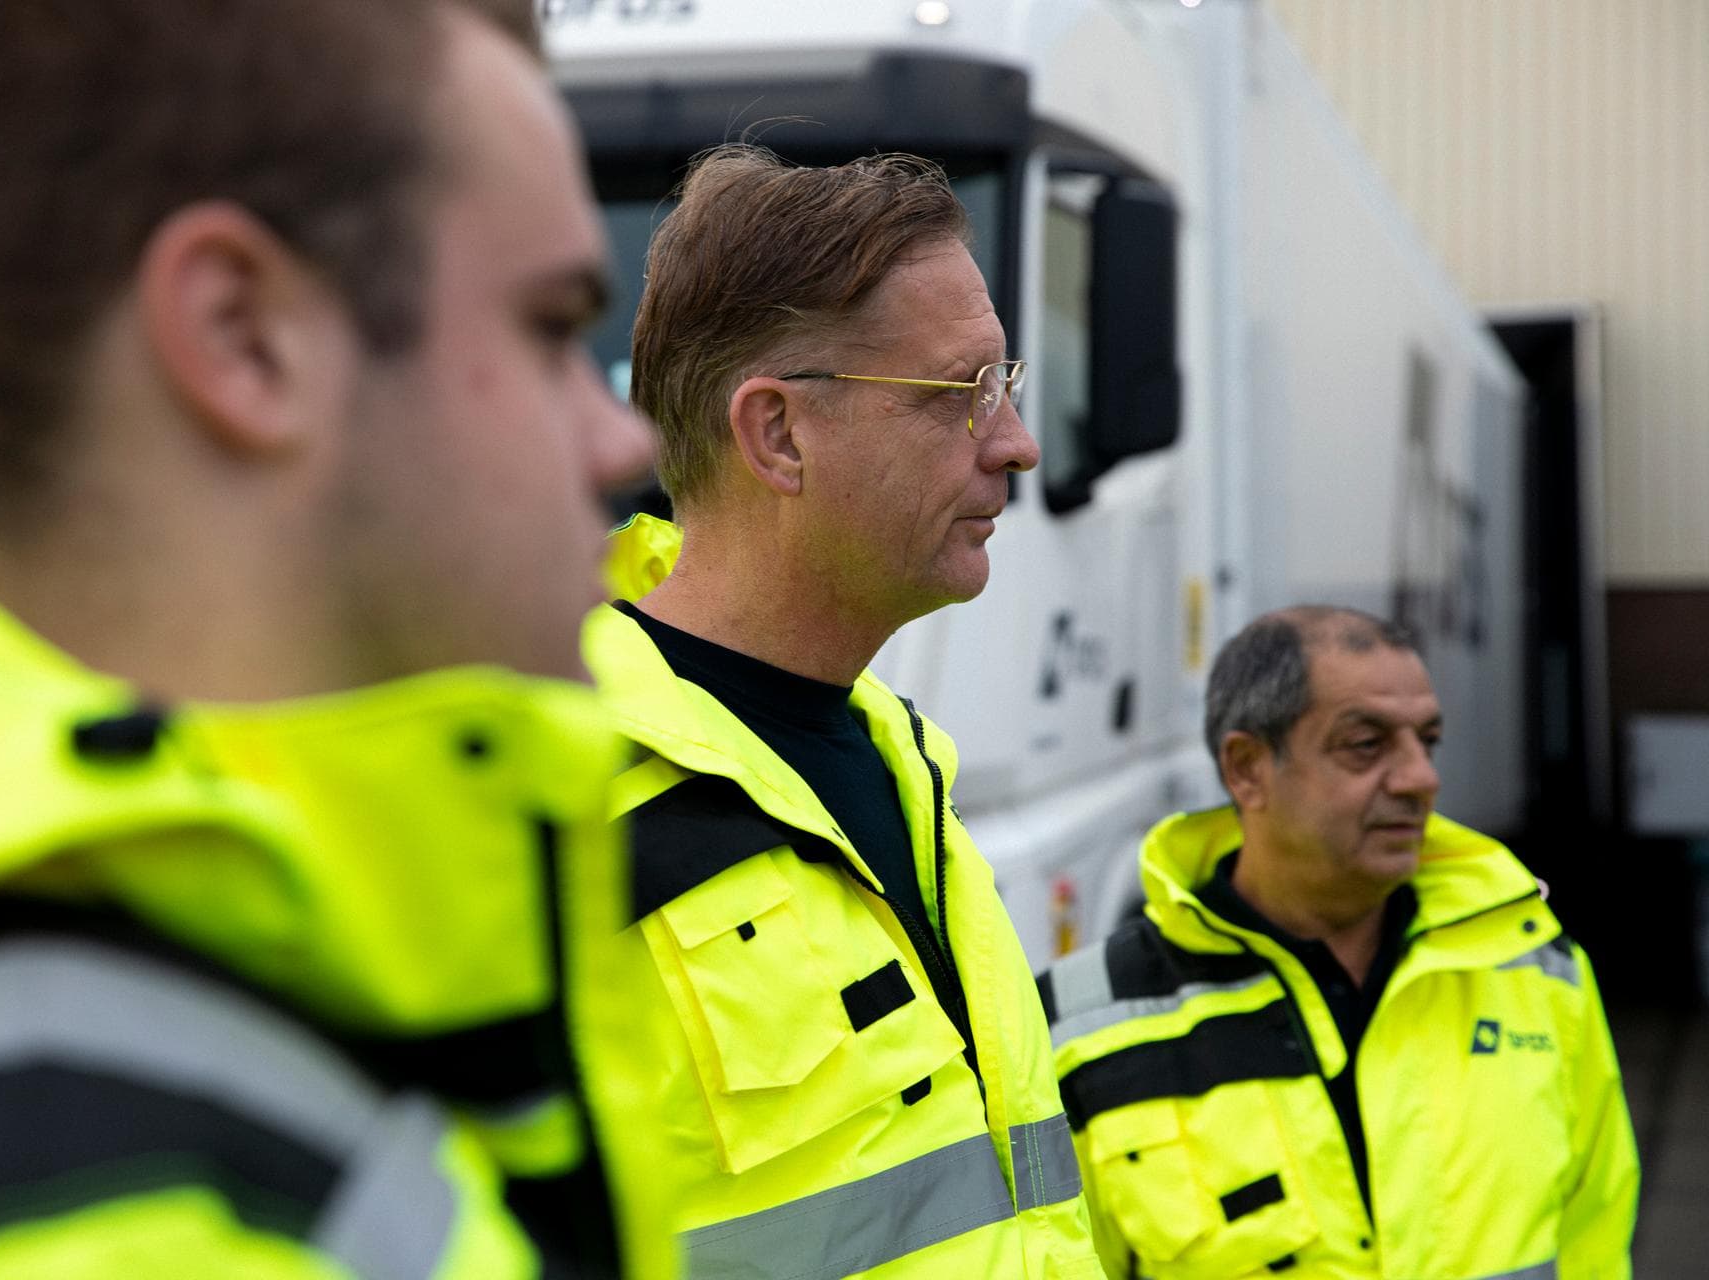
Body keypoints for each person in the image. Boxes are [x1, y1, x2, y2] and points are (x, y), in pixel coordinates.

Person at [0, 1, 675, 1275]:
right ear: (243, 338)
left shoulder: (128, 1004)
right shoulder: (90, 1181)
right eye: (548, 326)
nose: (623, 438)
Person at [583, 146, 1102, 1279]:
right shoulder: (561, 807)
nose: (1015, 442)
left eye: (1004, 386)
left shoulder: (901, 760)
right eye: (963, 393)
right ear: (777, 434)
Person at [1039, 607, 1640, 1279]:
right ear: (1247, 769)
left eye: (1427, 741)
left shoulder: (1537, 971)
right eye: (1366, 744)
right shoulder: (1079, 1028)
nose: (1420, 778)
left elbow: (1597, 1235)